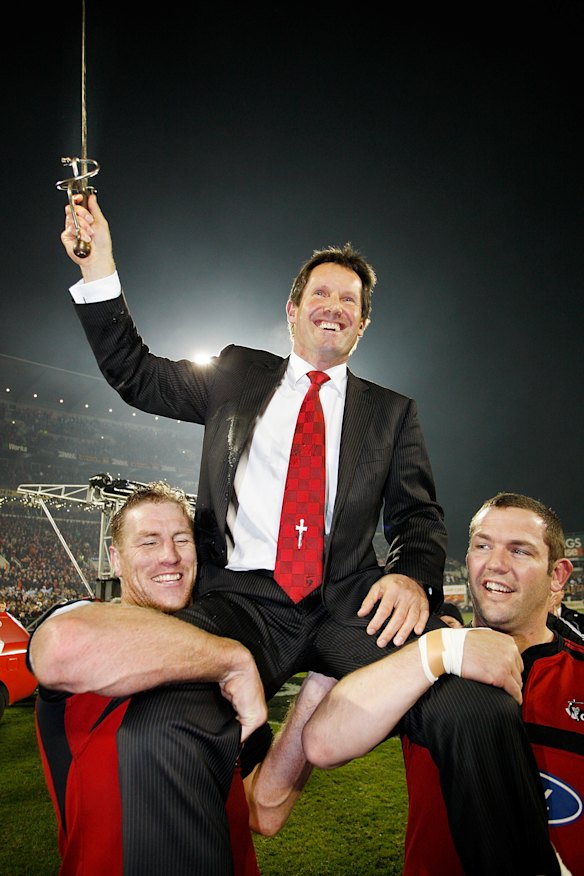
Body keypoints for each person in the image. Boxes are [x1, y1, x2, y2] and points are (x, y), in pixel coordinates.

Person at [59, 195, 561, 874]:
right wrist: (99, 268)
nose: (335, 303)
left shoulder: (392, 413)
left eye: (350, 299)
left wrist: (411, 574)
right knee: (161, 722)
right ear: (292, 311)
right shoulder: (235, 372)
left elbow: (420, 518)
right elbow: (135, 374)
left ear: (362, 324)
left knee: (474, 707)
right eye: (320, 292)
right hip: (241, 603)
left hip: (350, 605)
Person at [303, 492, 583, 875]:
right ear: (468, 560)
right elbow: (322, 744)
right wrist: (440, 650)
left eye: (520, 551)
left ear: (558, 576)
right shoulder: (426, 659)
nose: (496, 565)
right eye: (482, 546)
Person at [29, 481, 269, 876]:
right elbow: (59, 648)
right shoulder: (81, 619)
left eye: (181, 539)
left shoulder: (212, 656)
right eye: (149, 543)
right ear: (116, 560)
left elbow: (262, 808)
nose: (170, 556)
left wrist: (317, 677)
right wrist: (234, 660)